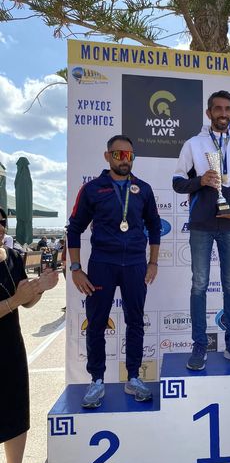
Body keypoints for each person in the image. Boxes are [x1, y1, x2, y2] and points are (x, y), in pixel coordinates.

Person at [67, 135, 161, 407]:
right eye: (118, 154)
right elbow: (74, 229)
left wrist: (153, 262)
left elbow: (155, 226)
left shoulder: (143, 189)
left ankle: (133, 377)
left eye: (129, 155)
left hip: (135, 265)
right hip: (102, 264)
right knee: (96, 323)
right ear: (107, 156)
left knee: (135, 322)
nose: (124, 160)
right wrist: (76, 268)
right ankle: (96, 380)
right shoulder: (92, 189)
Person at [173, 90, 230, 370]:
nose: (223, 113)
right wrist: (200, 181)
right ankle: (200, 345)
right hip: (201, 225)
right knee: (199, 285)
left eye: (227, 109)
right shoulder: (193, 144)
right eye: (217, 108)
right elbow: (177, 182)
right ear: (209, 113)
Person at [0, 207, 58, 463]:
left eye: (2, 222)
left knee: (16, 415)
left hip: (10, 345)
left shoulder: (12, 257)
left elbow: (27, 301)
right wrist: (15, 301)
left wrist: (41, 288)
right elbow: (16, 301)